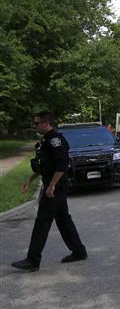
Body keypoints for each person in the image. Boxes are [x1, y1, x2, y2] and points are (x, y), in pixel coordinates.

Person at [11, 112, 87, 272]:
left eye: (36, 123)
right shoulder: (45, 140)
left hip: (56, 187)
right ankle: (79, 251)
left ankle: (32, 260)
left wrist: (51, 185)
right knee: (63, 219)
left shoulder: (55, 140)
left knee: (42, 221)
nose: (34, 125)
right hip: (54, 185)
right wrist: (30, 180)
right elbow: (45, 166)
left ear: (45, 123)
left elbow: (61, 164)